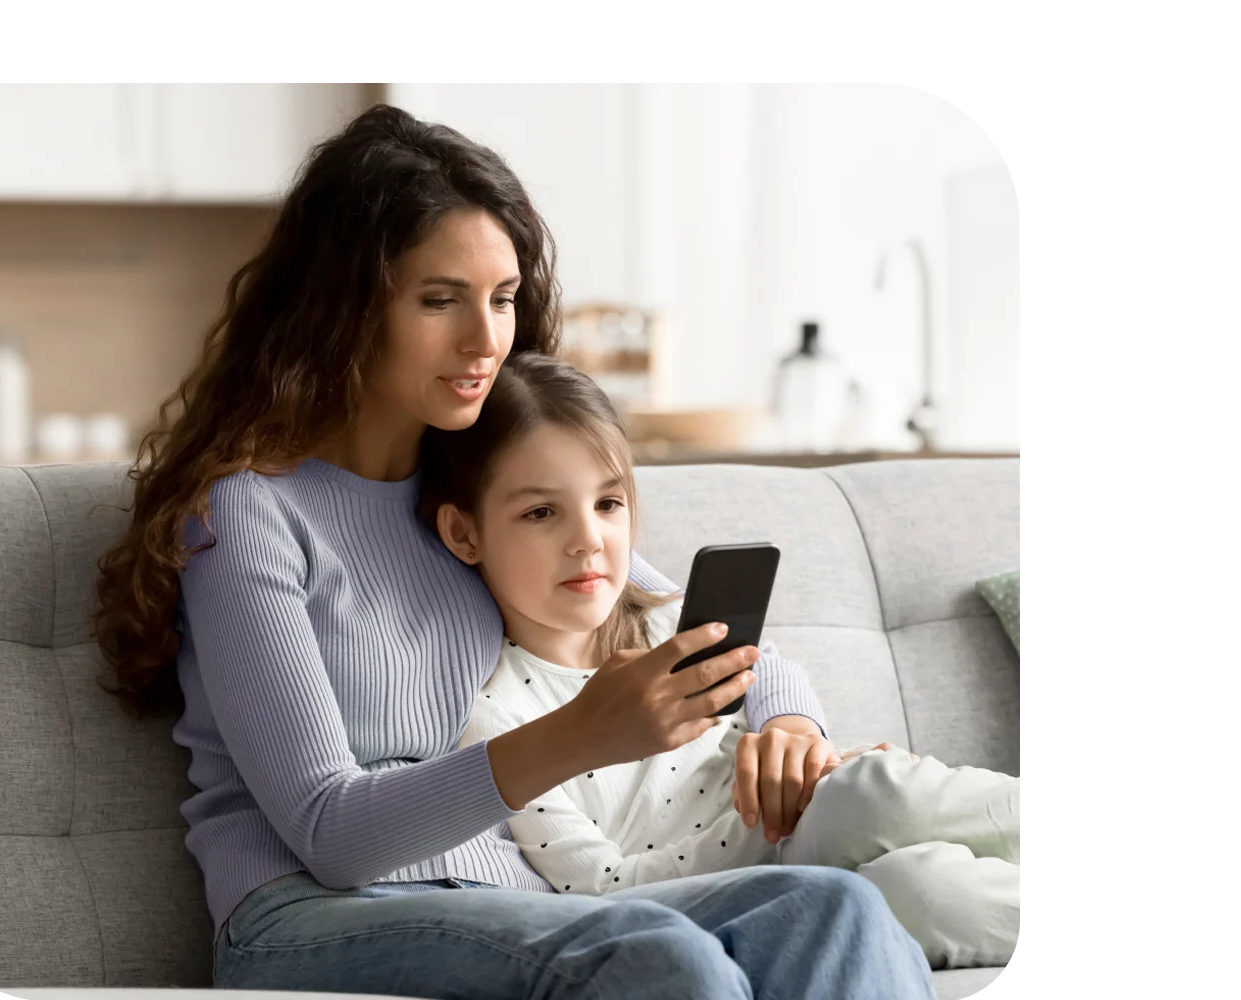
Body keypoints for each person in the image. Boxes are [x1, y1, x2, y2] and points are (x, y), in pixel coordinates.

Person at [92, 103, 936, 999]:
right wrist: (580, 732)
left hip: (515, 903)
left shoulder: (474, 503)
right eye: (439, 299)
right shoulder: (248, 514)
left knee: (834, 909)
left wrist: (791, 729)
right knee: (658, 958)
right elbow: (332, 836)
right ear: (341, 307)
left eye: (501, 299)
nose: (486, 340)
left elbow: (705, 639)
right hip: (305, 913)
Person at [423, 351, 1022, 971]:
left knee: (879, 812)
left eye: (608, 504)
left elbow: (769, 672)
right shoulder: (499, 723)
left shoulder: (670, 625)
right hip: (752, 886)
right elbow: (602, 892)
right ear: (465, 534)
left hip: (818, 828)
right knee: (909, 890)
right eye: (541, 513)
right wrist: (781, 819)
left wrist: (799, 742)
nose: (588, 540)